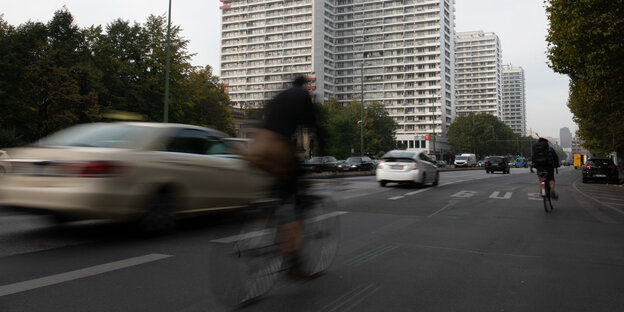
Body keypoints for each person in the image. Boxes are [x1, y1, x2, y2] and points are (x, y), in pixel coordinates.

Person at [244, 76, 324, 276]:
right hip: (279, 147)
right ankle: (293, 259)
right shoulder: (302, 96)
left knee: (279, 187)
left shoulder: (279, 96)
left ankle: (268, 210)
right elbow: (313, 125)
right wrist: (322, 146)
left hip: (260, 145)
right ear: (304, 86)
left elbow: (264, 117)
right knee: (297, 198)